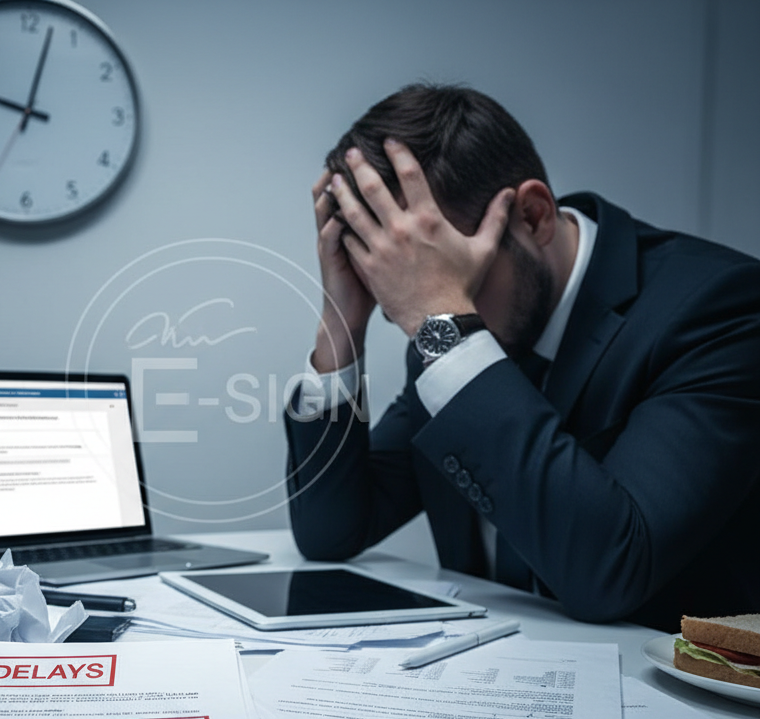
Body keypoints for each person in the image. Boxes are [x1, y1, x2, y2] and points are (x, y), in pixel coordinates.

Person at [284, 83, 760, 632]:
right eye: (402, 291)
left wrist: (444, 317)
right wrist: (341, 322)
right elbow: (331, 532)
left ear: (533, 216)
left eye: (449, 278)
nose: (416, 320)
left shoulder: (719, 311)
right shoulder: (446, 331)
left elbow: (607, 571)